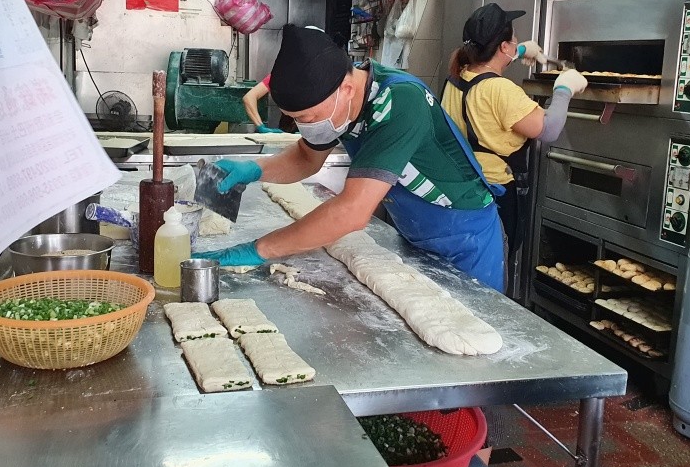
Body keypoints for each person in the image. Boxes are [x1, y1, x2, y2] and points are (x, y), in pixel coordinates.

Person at [195, 24, 508, 291]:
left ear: (346, 88)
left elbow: (352, 211)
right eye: (296, 118)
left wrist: (260, 249)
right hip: (416, 233)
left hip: (466, 236)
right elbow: (307, 157)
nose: (305, 126)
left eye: (306, 116)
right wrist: (252, 170)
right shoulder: (339, 107)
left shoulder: (400, 103)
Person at [440, 3, 587, 270]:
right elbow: (550, 128)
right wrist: (564, 89)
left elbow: (486, 67)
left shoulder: (456, 78)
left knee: (466, 269)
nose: (517, 41)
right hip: (495, 194)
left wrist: (519, 52)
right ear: (503, 47)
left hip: (463, 189)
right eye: (513, 40)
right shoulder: (500, 90)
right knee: (493, 269)